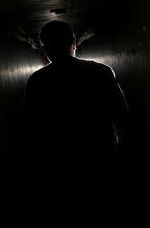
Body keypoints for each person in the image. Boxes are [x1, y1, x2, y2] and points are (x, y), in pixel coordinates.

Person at [21, 20, 128, 227]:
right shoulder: (102, 72)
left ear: (45, 49)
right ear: (74, 42)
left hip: (60, 167)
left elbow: (30, 129)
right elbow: (121, 113)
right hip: (100, 159)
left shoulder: (37, 81)